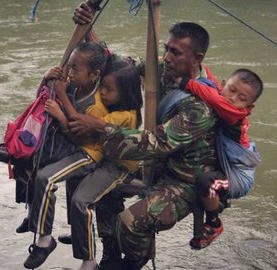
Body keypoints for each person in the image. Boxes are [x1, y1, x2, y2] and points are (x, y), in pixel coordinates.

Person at [71, 7, 222, 268]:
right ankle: (110, 251)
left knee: (131, 222)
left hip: (183, 179)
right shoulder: (162, 68)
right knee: (101, 186)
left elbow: (159, 143)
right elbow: (113, 62)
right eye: (167, 48)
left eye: (176, 52)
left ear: (198, 58)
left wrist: (101, 127)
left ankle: (133, 261)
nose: (167, 57)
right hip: (152, 163)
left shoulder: (201, 105)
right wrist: (88, 28)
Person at [22, 42, 109, 269]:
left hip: (87, 152)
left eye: (75, 70)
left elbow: (80, 139)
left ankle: (44, 240)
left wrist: (61, 116)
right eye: (68, 67)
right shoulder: (72, 86)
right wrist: (46, 79)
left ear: (94, 75)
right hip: (69, 146)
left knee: (46, 178)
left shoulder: (95, 104)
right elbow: (41, 99)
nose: (69, 74)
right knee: (25, 157)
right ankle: (34, 215)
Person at [176, 68, 263, 249]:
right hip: (231, 165)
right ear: (223, 85)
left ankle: (214, 223)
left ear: (249, 107)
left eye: (242, 98)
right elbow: (212, 84)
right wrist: (200, 67)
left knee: (206, 182)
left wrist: (187, 83)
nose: (233, 98)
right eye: (231, 90)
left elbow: (215, 99)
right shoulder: (220, 92)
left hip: (239, 177)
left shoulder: (235, 114)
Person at [68, 61, 143, 270]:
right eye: (102, 86)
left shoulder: (124, 115)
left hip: (119, 167)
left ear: (125, 92)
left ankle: (88, 256)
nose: (102, 93)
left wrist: (63, 103)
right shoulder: (116, 105)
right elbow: (100, 56)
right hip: (105, 160)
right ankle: (79, 232)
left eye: (108, 90)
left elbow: (91, 123)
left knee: (81, 199)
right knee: (73, 178)